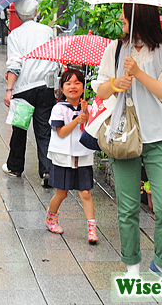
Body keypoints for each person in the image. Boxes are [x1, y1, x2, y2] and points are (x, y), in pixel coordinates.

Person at [96, 3, 162, 279]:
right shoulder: (115, 49)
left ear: (139, 17)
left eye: (125, 14)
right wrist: (116, 84)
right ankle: (131, 264)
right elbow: (100, 88)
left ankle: (161, 263)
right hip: (124, 136)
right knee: (128, 207)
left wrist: (138, 72)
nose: (121, 19)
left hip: (160, 137)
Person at [2, 0, 59, 186]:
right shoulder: (48, 31)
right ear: (35, 13)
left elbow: (15, 64)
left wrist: (9, 89)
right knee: (44, 130)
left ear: (18, 15)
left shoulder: (15, 35)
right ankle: (47, 171)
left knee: (20, 129)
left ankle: (15, 167)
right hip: (46, 88)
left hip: (23, 89)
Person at [45, 69, 98, 243]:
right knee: (62, 193)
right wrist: (76, 120)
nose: (72, 87)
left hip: (83, 155)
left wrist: (87, 114)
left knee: (86, 193)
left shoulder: (88, 107)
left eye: (77, 83)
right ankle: (51, 218)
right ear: (62, 89)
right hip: (63, 156)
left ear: (83, 87)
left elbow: (92, 128)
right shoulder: (59, 109)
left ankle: (92, 229)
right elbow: (60, 133)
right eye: (68, 83)